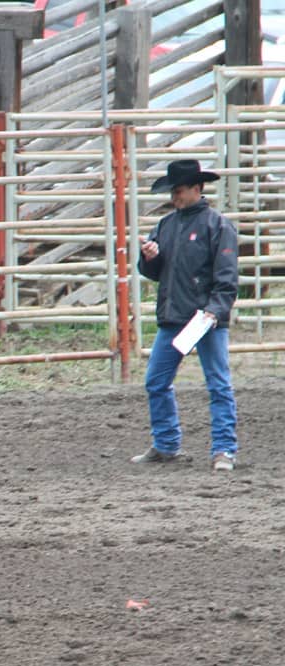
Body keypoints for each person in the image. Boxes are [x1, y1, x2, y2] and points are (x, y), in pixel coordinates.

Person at [133, 159, 239, 471]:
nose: (174, 197)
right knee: (156, 381)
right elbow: (155, 272)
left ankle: (224, 449)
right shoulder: (166, 225)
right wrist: (149, 258)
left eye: (178, 191)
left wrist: (213, 312)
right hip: (176, 317)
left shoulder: (217, 226)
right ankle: (167, 444)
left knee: (218, 383)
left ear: (196, 188)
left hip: (205, 319)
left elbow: (227, 279)